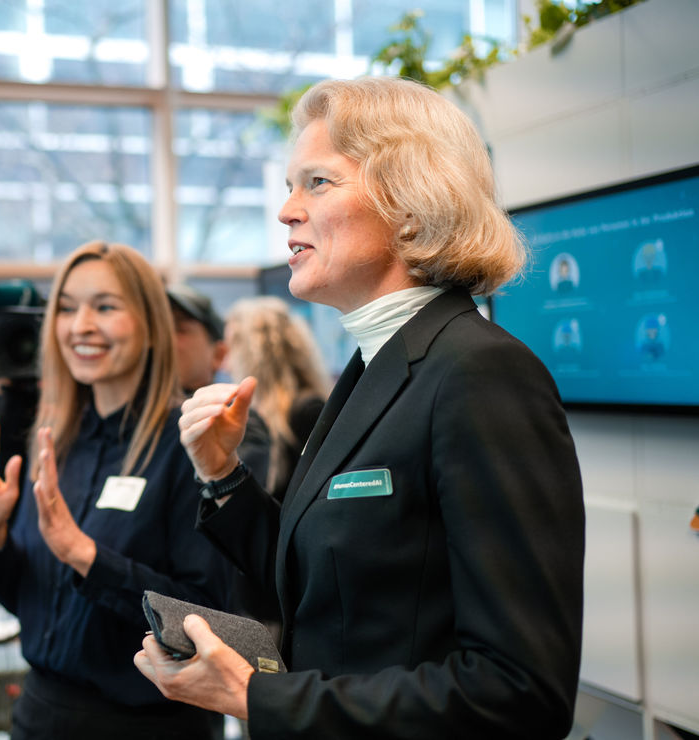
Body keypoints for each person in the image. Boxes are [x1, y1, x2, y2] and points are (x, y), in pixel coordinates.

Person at [135, 76, 585, 739]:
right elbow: (331, 578)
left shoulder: (481, 373)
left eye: (316, 183)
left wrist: (259, 699)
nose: (287, 210)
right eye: (291, 185)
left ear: (409, 203)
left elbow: (519, 692)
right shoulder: (376, 366)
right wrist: (223, 477)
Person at [0, 240, 232, 740]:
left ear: (152, 326)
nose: (80, 325)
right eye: (66, 308)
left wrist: (87, 557)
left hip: (148, 726)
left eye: (105, 307)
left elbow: (203, 621)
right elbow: (28, 601)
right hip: (41, 714)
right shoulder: (54, 440)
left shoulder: (192, 446)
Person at [222, 295, 331, 501]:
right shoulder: (253, 413)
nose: (226, 364)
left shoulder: (306, 410)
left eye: (232, 347)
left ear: (256, 352)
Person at [167, 282, 271, 490]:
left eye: (179, 328)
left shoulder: (235, 421)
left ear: (218, 354)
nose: (163, 339)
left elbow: (238, 510)